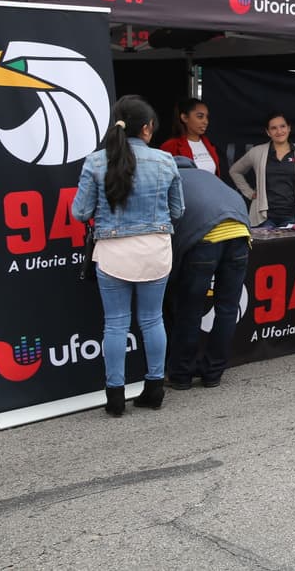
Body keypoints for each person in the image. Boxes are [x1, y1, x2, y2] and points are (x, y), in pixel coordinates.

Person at [71, 96, 184, 416]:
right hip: (155, 249)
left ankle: (115, 397)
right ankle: (154, 388)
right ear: (147, 128)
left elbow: (80, 213)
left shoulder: (95, 162)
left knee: (116, 324)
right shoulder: (165, 161)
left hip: (112, 252)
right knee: (152, 319)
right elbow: (178, 210)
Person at [167, 155, 252, 390]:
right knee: (227, 309)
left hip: (205, 241)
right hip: (240, 234)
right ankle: (213, 373)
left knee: (190, 309)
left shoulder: (170, 179)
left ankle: (181, 375)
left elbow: (172, 230)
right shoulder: (207, 176)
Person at [228, 112, 295, 227]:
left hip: (294, 216)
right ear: (268, 132)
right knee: (263, 245)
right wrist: (249, 193)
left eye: (282, 126)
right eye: (273, 128)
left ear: (289, 128)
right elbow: (235, 171)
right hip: (264, 217)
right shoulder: (257, 152)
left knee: (291, 245)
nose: (279, 131)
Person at [160, 97, 221, 177]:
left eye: (207, 117)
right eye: (200, 116)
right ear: (184, 118)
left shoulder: (208, 144)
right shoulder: (170, 146)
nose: (206, 122)